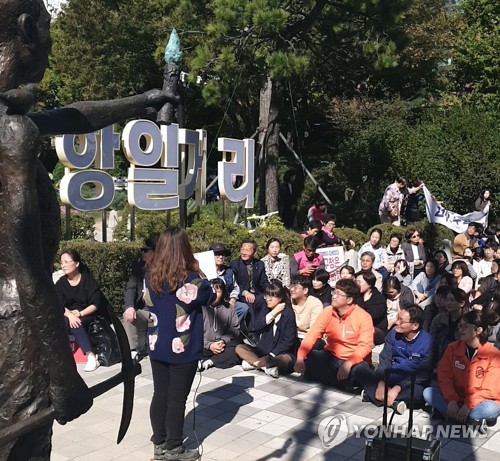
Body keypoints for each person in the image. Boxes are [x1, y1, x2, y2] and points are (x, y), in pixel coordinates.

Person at [0, 1, 178, 454]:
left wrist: (143, 101)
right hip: (16, 331)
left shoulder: (10, 120)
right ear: (26, 31)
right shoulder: (11, 133)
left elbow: (70, 116)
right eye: (46, 26)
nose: (51, 37)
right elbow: (28, 269)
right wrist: (64, 376)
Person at [144, 228, 214, 461]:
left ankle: (159, 444)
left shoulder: (150, 276)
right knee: (176, 398)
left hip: (156, 343)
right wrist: (198, 268)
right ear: (185, 248)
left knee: (160, 394)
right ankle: (174, 448)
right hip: (182, 346)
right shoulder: (194, 280)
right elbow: (212, 296)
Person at [424, 310, 500, 427]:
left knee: (491, 408)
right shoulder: (452, 348)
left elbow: (490, 389)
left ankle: (455, 415)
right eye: (460, 326)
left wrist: (469, 404)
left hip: (479, 401)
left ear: (478, 330)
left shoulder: (493, 354)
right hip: (457, 398)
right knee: (428, 392)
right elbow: (444, 377)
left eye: (465, 327)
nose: (461, 330)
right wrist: (452, 400)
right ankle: (470, 419)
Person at [294, 279, 374, 390]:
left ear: (349, 299)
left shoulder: (363, 317)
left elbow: (365, 346)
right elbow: (312, 335)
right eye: (334, 292)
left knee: (362, 371)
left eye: (338, 294)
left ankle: (340, 380)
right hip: (332, 357)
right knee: (310, 358)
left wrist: (349, 363)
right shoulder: (328, 311)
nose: (334, 296)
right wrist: (300, 358)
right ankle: (343, 383)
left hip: (354, 360)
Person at [356, 305, 433, 414]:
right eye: (397, 318)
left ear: (415, 326)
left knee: (419, 393)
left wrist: (398, 388)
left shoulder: (428, 342)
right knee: (360, 370)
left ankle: (373, 396)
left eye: (401, 321)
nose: (396, 322)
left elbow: (422, 374)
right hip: (389, 375)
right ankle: (393, 402)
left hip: (410, 381)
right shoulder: (393, 333)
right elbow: (385, 359)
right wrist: (382, 382)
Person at [235, 281, 297, 378]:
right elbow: (256, 326)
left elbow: (288, 341)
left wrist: (271, 355)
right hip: (263, 350)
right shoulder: (266, 308)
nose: (268, 299)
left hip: (279, 353)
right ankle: (263, 367)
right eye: (266, 296)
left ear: (280, 298)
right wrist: (272, 314)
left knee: (285, 359)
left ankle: (255, 364)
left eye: (271, 297)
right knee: (239, 348)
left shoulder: (288, 314)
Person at [55, 249, 103, 372]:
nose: (63, 265)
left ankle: (91, 356)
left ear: (76, 264)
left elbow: (95, 304)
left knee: (76, 323)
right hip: (68, 314)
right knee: (67, 322)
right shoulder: (61, 283)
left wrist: (80, 314)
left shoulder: (88, 281)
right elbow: (58, 304)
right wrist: (70, 315)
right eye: (61, 263)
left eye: (66, 262)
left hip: (88, 313)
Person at [122, 237, 155, 360]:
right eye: (141, 250)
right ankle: (133, 351)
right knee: (128, 315)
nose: (142, 253)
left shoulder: (165, 269)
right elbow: (131, 287)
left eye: (146, 250)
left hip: (160, 310)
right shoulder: (138, 268)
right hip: (144, 310)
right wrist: (129, 307)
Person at [200, 279, 240, 371]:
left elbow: (234, 329)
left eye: (217, 291)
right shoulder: (201, 308)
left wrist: (223, 341)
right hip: (204, 345)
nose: (213, 294)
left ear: (222, 293)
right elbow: (194, 332)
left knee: (237, 347)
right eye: (211, 291)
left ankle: (210, 362)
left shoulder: (229, 308)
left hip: (222, 345)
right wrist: (209, 345)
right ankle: (207, 360)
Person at [230, 239, 270, 323]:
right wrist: (244, 292)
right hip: (242, 294)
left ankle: (263, 326)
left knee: (266, 300)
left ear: (254, 252)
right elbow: (233, 284)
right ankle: (252, 332)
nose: (244, 253)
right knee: (249, 304)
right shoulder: (234, 264)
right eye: (242, 249)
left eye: (247, 250)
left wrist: (271, 291)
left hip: (257, 293)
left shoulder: (259, 264)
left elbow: (263, 281)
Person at [430, 288, 468, 363]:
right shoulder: (439, 318)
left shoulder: (467, 320)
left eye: (452, 300)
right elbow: (432, 337)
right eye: (447, 300)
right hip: (439, 355)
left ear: (462, 303)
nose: (449, 303)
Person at [356, 271, 388, 345]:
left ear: (369, 284)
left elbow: (373, 315)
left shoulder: (378, 297)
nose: (357, 284)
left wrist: (367, 302)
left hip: (376, 329)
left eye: (359, 282)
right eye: (356, 281)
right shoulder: (357, 296)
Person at [289, 276, 324, 340]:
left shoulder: (315, 303)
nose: (292, 290)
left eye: (295, 287)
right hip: (292, 336)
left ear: (305, 290)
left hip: (308, 337)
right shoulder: (288, 301)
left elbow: (314, 329)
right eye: (291, 286)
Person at [210, 243, 240, 307]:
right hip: (210, 304)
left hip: (226, 301)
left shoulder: (229, 271)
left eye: (222, 254)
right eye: (217, 254)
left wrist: (233, 299)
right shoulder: (204, 272)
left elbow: (235, 288)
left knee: (243, 308)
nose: (221, 257)